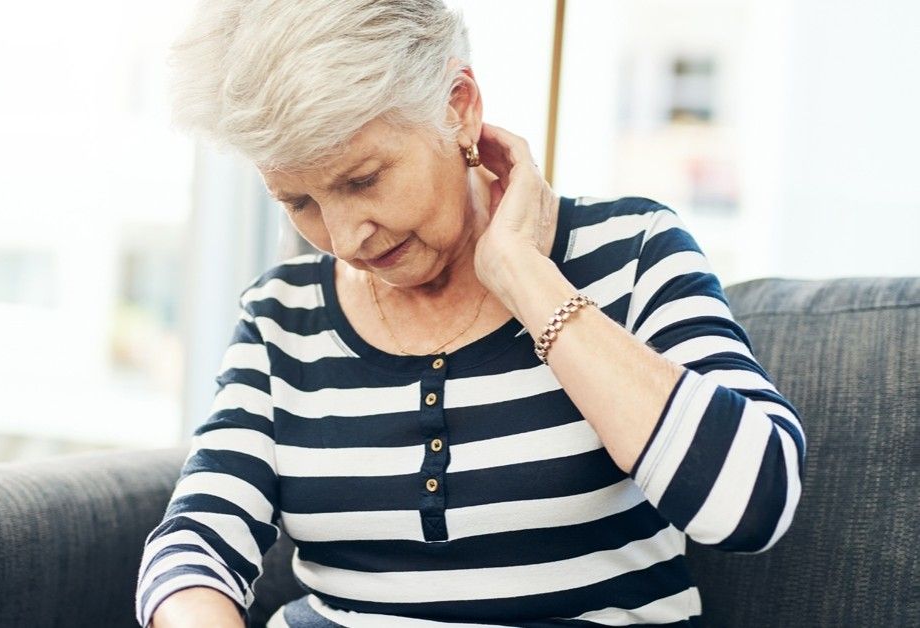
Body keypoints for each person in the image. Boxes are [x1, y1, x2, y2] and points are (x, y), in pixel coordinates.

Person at [134, 1, 807, 626]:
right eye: (298, 202)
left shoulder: (631, 253)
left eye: (362, 179)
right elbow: (196, 543)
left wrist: (523, 276)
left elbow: (752, 501)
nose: (345, 240)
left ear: (458, 107)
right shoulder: (283, 314)